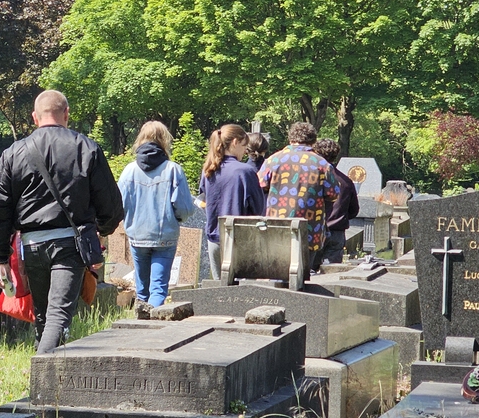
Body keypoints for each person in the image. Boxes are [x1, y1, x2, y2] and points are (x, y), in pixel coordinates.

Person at [0, 90, 123, 354]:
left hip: (32, 245)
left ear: (34, 117)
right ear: (67, 114)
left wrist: (0, 257)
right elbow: (111, 205)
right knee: (58, 316)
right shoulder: (87, 147)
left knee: (44, 318)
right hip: (69, 246)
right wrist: (101, 232)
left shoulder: (15, 152)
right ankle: (41, 378)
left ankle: (47, 382)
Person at [116, 121, 195, 310]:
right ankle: (153, 325)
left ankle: (139, 327)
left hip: (137, 236)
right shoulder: (173, 169)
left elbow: (119, 205)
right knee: (158, 289)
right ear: (164, 140)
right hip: (165, 237)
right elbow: (185, 208)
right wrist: (175, 220)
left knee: (142, 290)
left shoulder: (129, 171)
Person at [258, 122, 341, 262]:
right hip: (309, 230)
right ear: (313, 141)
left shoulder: (273, 160)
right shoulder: (322, 164)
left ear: (290, 139)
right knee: (302, 274)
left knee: (277, 269)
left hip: (277, 226)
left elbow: (259, 185)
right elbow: (333, 194)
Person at [199, 124, 265, 281]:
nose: (245, 151)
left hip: (214, 238)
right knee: (243, 296)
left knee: (220, 292)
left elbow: (204, 199)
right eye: (244, 146)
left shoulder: (208, 169)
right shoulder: (244, 171)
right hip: (240, 241)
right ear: (235, 142)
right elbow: (259, 208)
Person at [311, 138, 358, 269]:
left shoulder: (312, 179)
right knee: (331, 273)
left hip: (315, 229)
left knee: (309, 272)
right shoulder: (346, 182)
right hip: (337, 232)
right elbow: (354, 211)